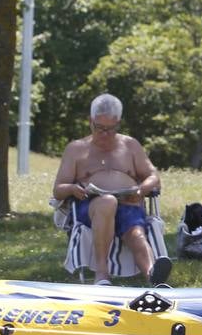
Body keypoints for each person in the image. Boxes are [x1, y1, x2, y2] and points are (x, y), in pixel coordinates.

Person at [53, 93, 170, 286]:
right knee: (108, 202)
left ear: (118, 123)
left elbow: (154, 176)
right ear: (90, 122)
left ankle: (153, 276)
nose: (105, 134)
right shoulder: (76, 149)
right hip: (92, 207)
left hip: (128, 204)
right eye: (100, 128)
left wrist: (141, 190)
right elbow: (58, 190)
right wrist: (73, 189)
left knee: (136, 234)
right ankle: (102, 274)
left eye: (111, 129)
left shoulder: (130, 145)